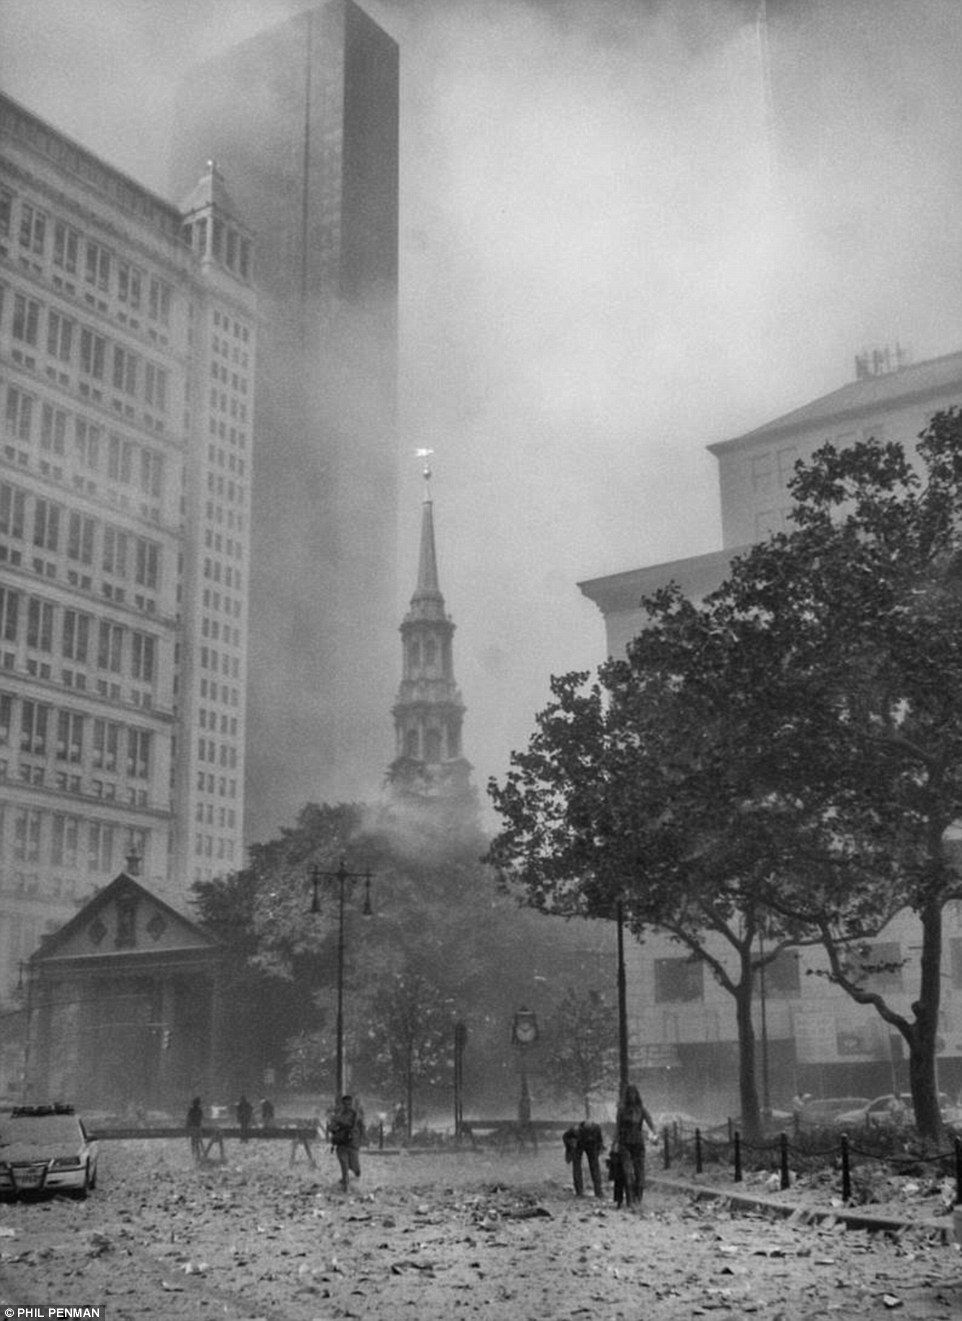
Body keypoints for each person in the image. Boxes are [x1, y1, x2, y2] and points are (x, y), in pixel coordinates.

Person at [615, 1083, 656, 1210]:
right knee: (628, 1173)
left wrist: (654, 1134)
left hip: (638, 1143)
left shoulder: (641, 1109)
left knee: (640, 1173)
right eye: (630, 1094)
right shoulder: (622, 1110)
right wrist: (614, 1143)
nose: (632, 1097)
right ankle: (630, 1200)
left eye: (634, 1094)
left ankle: (638, 1199)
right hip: (624, 1143)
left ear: (637, 1095)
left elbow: (651, 1123)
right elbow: (617, 1128)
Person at [329, 1094, 365, 1191]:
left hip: (353, 1145)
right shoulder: (338, 1115)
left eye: (349, 1104)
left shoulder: (356, 1115)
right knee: (344, 1167)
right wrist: (334, 1127)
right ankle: (345, 1187)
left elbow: (361, 1128)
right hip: (341, 1145)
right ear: (342, 1104)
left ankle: (349, 1182)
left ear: (352, 1104)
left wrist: (363, 1138)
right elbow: (331, 1128)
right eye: (345, 1104)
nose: (347, 1106)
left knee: (356, 1169)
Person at [562, 1119, 606, 1197]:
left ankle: (598, 1191)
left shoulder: (596, 1128)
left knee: (595, 1167)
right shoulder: (575, 1130)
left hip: (591, 1146)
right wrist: (571, 1143)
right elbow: (565, 1137)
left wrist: (600, 1148)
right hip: (579, 1145)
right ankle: (579, 1192)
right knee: (577, 1167)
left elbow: (600, 1140)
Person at [186, 1096, 204, 1162]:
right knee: (198, 1142)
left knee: (193, 1142)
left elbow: (188, 1119)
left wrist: (187, 1127)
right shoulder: (199, 1110)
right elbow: (201, 1118)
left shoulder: (191, 1110)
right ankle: (198, 1155)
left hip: (193, 1127)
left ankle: (194, 1155)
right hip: (197, 1127)